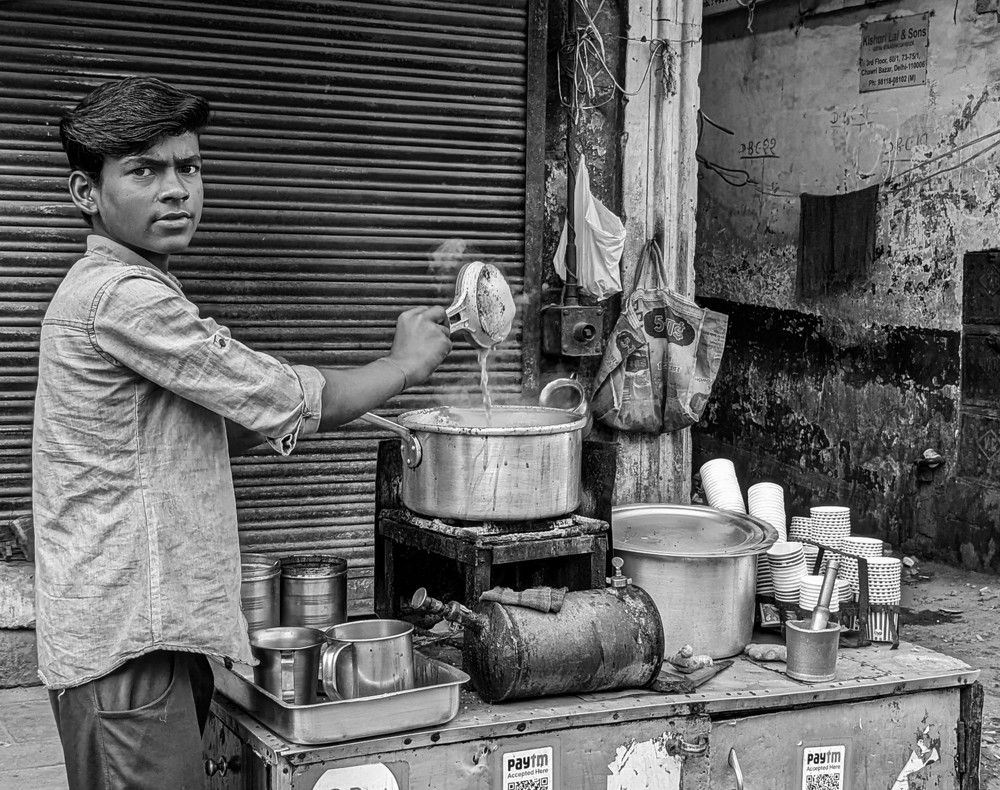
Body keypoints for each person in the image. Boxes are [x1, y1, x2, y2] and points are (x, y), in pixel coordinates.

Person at [32, 76, 451, 789]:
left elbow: (202, 431)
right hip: (131, 651)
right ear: (86, 192)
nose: (177, 189)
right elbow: (281, 395)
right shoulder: (121, 298)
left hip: (149, 641)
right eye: (144, 170)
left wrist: (277, 417)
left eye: (188, 167)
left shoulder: (134, 291)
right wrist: (402, 366)